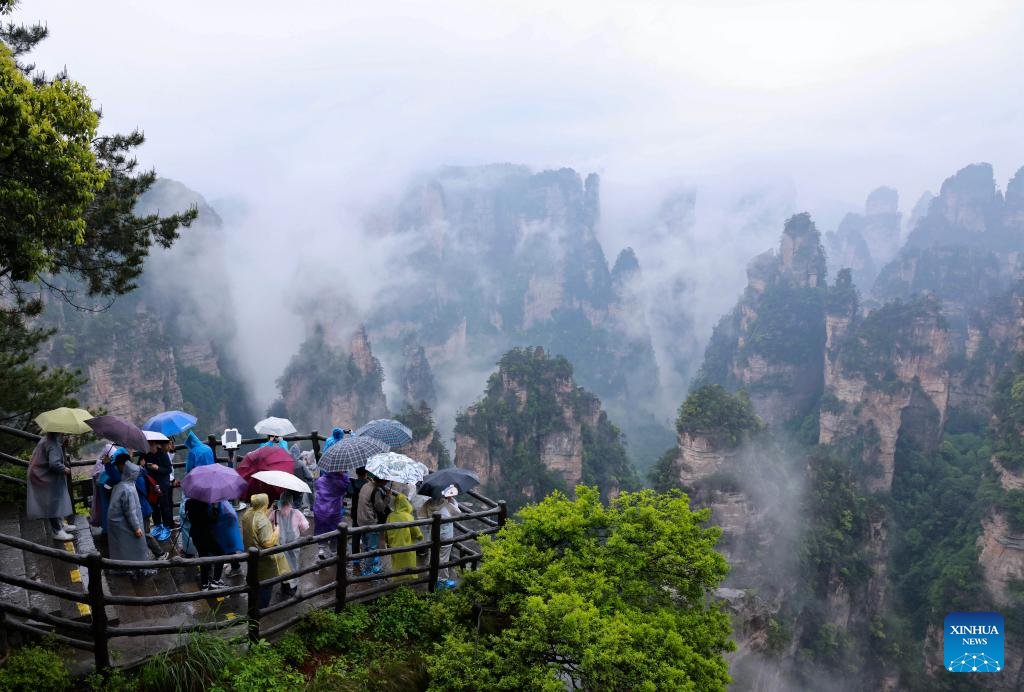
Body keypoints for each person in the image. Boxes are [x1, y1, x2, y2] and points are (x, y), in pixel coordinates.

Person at [241, 493, 289, 608]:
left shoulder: (248, 513)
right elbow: (267, 542)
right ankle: (261, 610)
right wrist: (276, 531)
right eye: (267, 502)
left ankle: (253, 605)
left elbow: (256, 519)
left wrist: (269, 510)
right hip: (264, 559)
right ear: (264, 504)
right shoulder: (262, 520)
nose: (268, 503)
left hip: (250, 551)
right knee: (265, 585)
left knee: (253, 579)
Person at [26, 432, 75, 541]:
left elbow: (51, 455)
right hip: (43, 476)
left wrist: (62, 447)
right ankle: (57, 531)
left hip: (39, 474)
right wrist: (65, 469)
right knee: (52, 502)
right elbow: (54, 464)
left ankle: (61, 524)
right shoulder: (52, 444)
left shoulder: (48, 439)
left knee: (56, 499)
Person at [107, 461, 151, 578]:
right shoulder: (128, 489)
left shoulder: (121, 485)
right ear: (132, 474)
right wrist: (136, 528)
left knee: (121, 548)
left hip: (117, 523)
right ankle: (140, 569)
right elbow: (130, 511)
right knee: (137, 547)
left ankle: (122, 568)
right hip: (125, 524)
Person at [424, 486, 462, 589]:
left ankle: (431, 577)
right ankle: (442, 581)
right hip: (446, 536)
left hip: (432, 534)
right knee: (443, 558)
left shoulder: (428, 503)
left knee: (432, 555)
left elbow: (422, 517)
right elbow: (458, 513)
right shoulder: (446, 504)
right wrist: (451, 498)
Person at [271, 491, 307, 596]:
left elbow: (269, 522)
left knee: (282, 565)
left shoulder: (275, 512)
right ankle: (293, 586)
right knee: (293, 563)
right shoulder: (297, 513)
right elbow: (304, 527)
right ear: (292, 500)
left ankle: (284, 585)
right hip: (293, 543)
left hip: (280, 544)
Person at [184, 497, 225, 590]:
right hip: (206, 535)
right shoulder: (203, 503)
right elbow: (212, 519)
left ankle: (204, 583)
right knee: (220, 554)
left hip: (195, 534)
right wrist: (215, 508)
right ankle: (216, 581)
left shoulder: (188, 502)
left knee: (203, 557)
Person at [357, 475, 391, 574]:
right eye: (386, 480)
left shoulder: (366, 486)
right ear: (382, 480)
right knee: (372, 547)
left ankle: (367, 564)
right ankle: (368, 570)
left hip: (361, 519)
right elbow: (380, 508)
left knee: (366, 543)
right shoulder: (375, 491)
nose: (387, 482)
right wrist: (388, 496)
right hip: (370, 521)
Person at [385, 493, 422, 582]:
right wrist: (420, 536)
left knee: (397, 564)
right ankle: (410, 578)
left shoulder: (390, 516)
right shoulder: (408, 516)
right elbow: (416, 532)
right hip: (407, 546)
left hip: (394, 545)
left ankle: (397, 578)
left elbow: (386, 531)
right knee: (409, 563)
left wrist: (387, 541)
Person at [313, 472, 348, 561]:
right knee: (335, 530)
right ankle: (333, 552)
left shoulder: (320, 480)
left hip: (320, 509)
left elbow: (318, 489)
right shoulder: (339, 482)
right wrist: (343, 476)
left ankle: (321, 549)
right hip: (334, 510)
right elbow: (346, 487)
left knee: (321, 529)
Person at [144, 438, 174, 539]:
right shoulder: (146, 454)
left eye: (152, 444)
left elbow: (168, 469)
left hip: (162, 484)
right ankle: (157, 525)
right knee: (154, 505)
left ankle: (167, 527)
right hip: (151, 484)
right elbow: (143, 469)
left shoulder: (163, 454)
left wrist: (158, 468)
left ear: (155, 444)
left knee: (164, 505)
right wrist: (143, 466)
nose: (150, 446)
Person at [348, 467, 369, 569]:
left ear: (356, 473)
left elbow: (349, 493)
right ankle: (367, 558)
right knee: (366, 536)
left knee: (356, 536)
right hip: (366, 513)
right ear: (366, 473)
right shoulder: (368, 484)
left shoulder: (352, 483)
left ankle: (356, 559)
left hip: (355, 512)